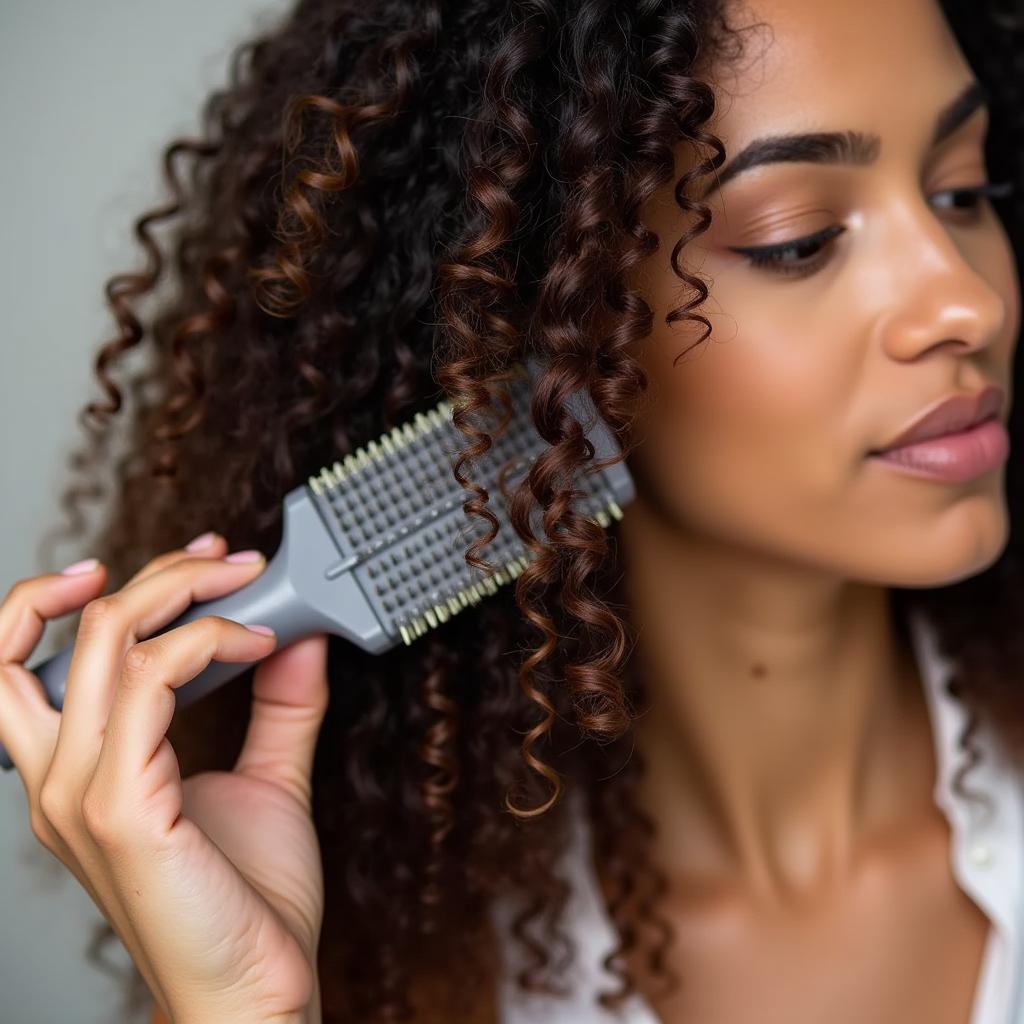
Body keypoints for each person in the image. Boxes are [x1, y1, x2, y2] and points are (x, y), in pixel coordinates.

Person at [1, 0, 1022, 1020]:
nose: (966, 300)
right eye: (799, 240)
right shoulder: (432, 971)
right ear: (561, 324)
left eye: (963, 190)